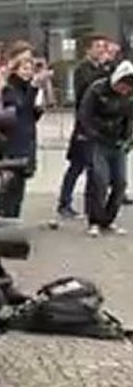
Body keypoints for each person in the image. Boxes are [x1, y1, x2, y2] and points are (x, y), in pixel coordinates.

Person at [53, 35, 110, 225]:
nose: (101, 50)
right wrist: (102, 68)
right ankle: (64, 203)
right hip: (84, 126)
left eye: (104, 46)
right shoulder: (82, 70)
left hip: (98, 125)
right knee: (77, 166)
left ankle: (91, 206)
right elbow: (88, 89)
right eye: (97, 46)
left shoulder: (104, 68)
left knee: (93, 168)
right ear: (88, 50)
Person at [77, 60, 133, 237]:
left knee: (120, 182)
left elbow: (130, 119)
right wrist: (92, 135)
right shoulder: (97, 90)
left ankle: (108, 220)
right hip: (98, 142)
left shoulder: (129, 97)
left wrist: (128, 140)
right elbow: (84, 115)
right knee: (99, 180)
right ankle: (94, 220)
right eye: (122, 86)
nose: (124, 91)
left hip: (118, 142)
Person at [0, 43, 47, 219]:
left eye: (30, 69)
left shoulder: (28, 88)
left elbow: (31, 114)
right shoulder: (9, 88)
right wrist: (33, 88)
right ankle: (6, 218)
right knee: (10, 185)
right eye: (24, 68)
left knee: (20, 187)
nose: (28, 72)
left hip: (27, 139)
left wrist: (38, 104)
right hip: (12, 142)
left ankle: (13, 218)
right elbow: (18, 110)